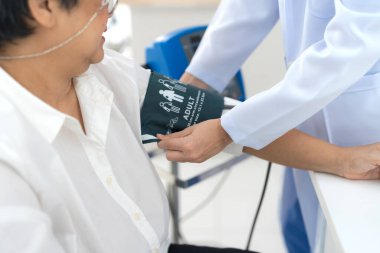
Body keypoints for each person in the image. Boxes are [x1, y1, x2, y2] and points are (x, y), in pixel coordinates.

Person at [0, 1, 379, 253]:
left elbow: (214, 114)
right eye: (101, 1)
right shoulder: (10, 163)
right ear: (44, 7)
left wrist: (343, 159)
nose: (110, 12)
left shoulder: (103, 74)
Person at [156, 0, 380, 252]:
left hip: (361, 116)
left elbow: (354, 44)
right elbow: (248, 7)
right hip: (306, 110)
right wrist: (197, 80)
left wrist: (226, 129)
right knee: (298, 225)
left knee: (348, 233)